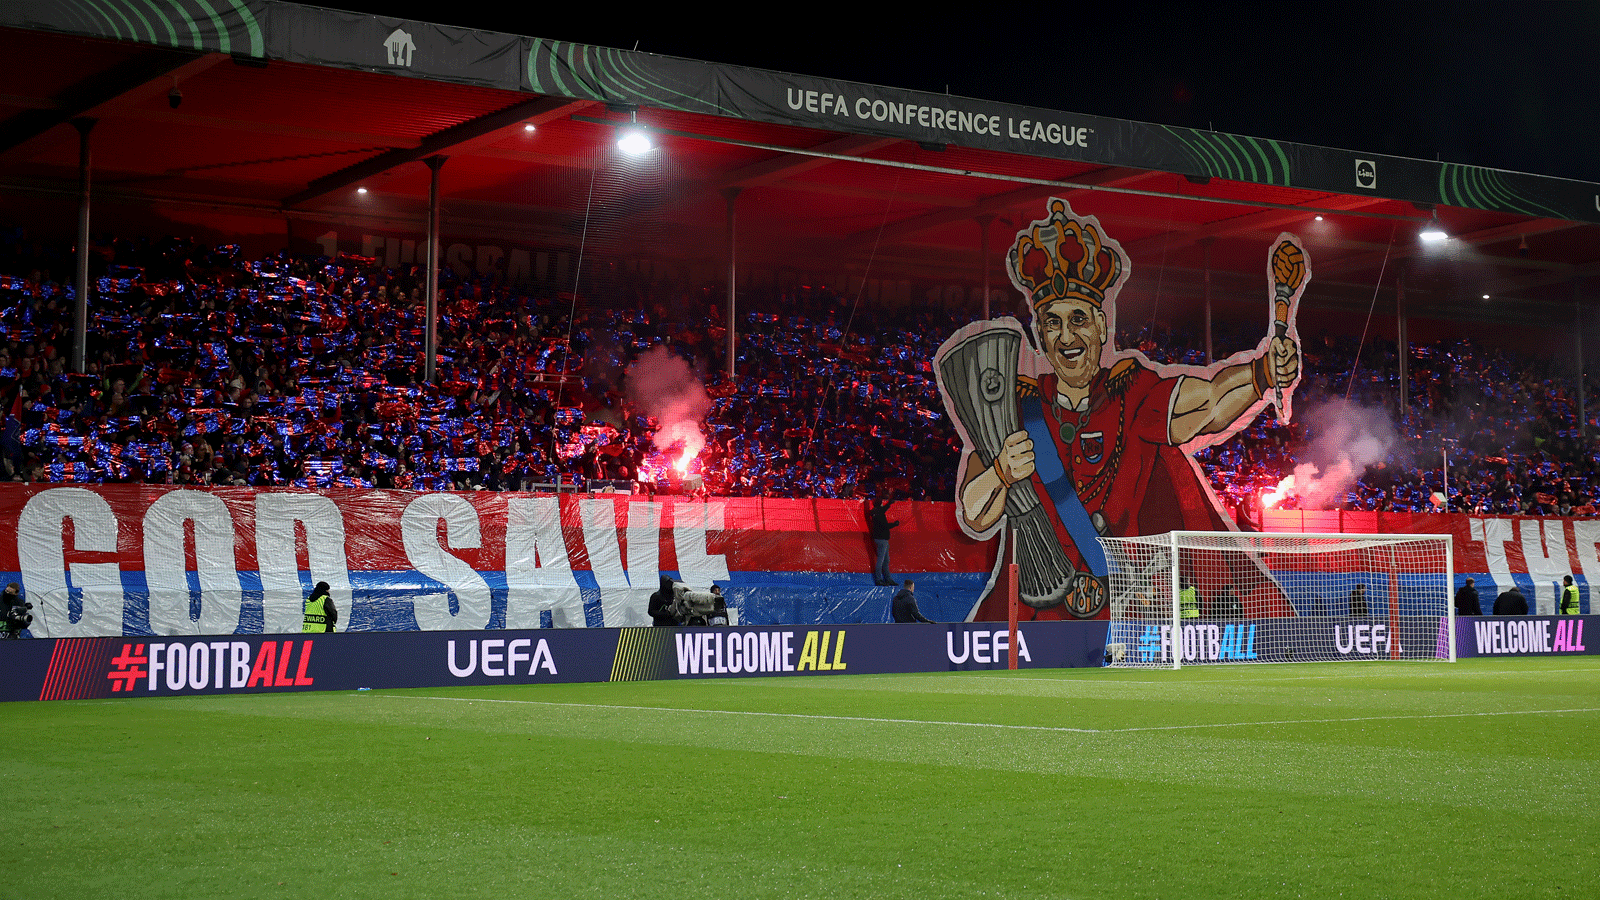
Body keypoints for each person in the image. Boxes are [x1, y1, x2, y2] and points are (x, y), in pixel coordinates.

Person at [943, 199, 1303, 621]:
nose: (1066, 336)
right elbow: (973, 513)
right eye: (1052, 323)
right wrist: (1002, 472)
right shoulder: (1011, 410)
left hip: (1122, 621)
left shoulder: (1130, 394)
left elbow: (1207, 404)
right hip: (1026, 617)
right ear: (1039, 334)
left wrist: (1262, 373)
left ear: (1100, 326)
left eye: (1078, 319)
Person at [867, 492, 900, 585]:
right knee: (882, 560)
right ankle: (880, 579)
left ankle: (887, 579)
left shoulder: (875, 513)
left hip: (880, 538)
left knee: (885, 560)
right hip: (882, 539)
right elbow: (885, 525)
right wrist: (895, 524)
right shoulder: (879, 512)